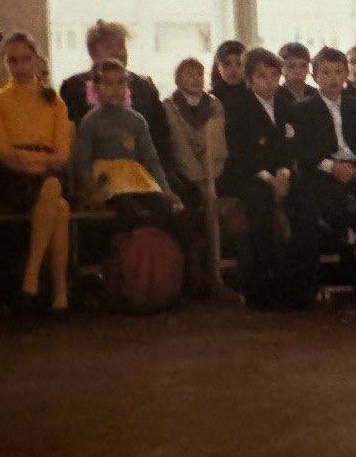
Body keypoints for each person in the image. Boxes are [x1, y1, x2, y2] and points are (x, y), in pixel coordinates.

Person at [0, 32, 73, 312]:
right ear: (5, 63)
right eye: (13, 61)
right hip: (12, 176)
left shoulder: (54, 101)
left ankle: (32, 276)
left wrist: (35, 161)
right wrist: (35, 161)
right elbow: (2, 151)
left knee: (53, 191)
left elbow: (62, 154)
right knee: (59, 204)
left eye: (26, 59)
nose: (20, 66)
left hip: (47, 174)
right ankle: (58, 291)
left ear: (36, 60)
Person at [288, 47, 356, 298]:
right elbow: (304, 150)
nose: (333, 78)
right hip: (325, 171)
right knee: (330, 204)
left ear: (346, 74)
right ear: (315, 76)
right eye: (326, 72)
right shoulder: (302, 109)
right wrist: (331, 167)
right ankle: (355, 263)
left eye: (338, 72)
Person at [219, 47, 293, 307]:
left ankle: (294, 279)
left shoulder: (285, 105)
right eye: (262, 76)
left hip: (280, 174)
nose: (269, 82)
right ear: (249, 79)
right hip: (247, 175)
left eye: (274, 76)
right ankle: (260, 285)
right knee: (261, 203)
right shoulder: (238, 108)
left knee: (304, 197)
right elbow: (242, 154)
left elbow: (288, 148)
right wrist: (270, 180)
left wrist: (283, 173)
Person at [73, 58, 181, 226]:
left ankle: (156, 241)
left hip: (135, 178)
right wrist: (93, 190)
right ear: (96, 87)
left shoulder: (137, 120)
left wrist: (165, 189)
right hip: (106, 182)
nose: (115, 89)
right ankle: (132, 240)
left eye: (120, 83)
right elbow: (83, 161)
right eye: (108, 84)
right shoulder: (90, 122)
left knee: (163, 206)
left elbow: (150, 159)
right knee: (126, 207)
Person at [59, 20, 174, 177]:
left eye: (121, 46)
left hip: (143, 174)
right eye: (109, 47)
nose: (117, 52)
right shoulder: (73, 88)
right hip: (95, 173)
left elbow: (161, 140)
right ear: (93, 54)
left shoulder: (144, 87)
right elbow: (73, 141)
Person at [162, 58, 233, 297]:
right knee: (189, 214)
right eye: (188, 74)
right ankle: (194, 279)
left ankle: (219, 277)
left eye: (198, 74)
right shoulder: (170, 106)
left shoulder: (214, 104)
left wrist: (211, 175)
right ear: (178, 78)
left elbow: (218, 143)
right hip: (184, 176)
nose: (194, 79)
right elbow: (178, 145)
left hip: (214, 172)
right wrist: (198, 178)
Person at [210, 39, 249, 111]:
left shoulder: (256, 96)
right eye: (227, 64)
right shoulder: (209, 100)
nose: (233, 69)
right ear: (218, 66)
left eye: (239, 64)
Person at [277, 42, 319, 107]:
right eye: (291, 66)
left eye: (303, 66)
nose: (298, 71)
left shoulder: (316, 95)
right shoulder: (275, 96)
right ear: (281, 69)